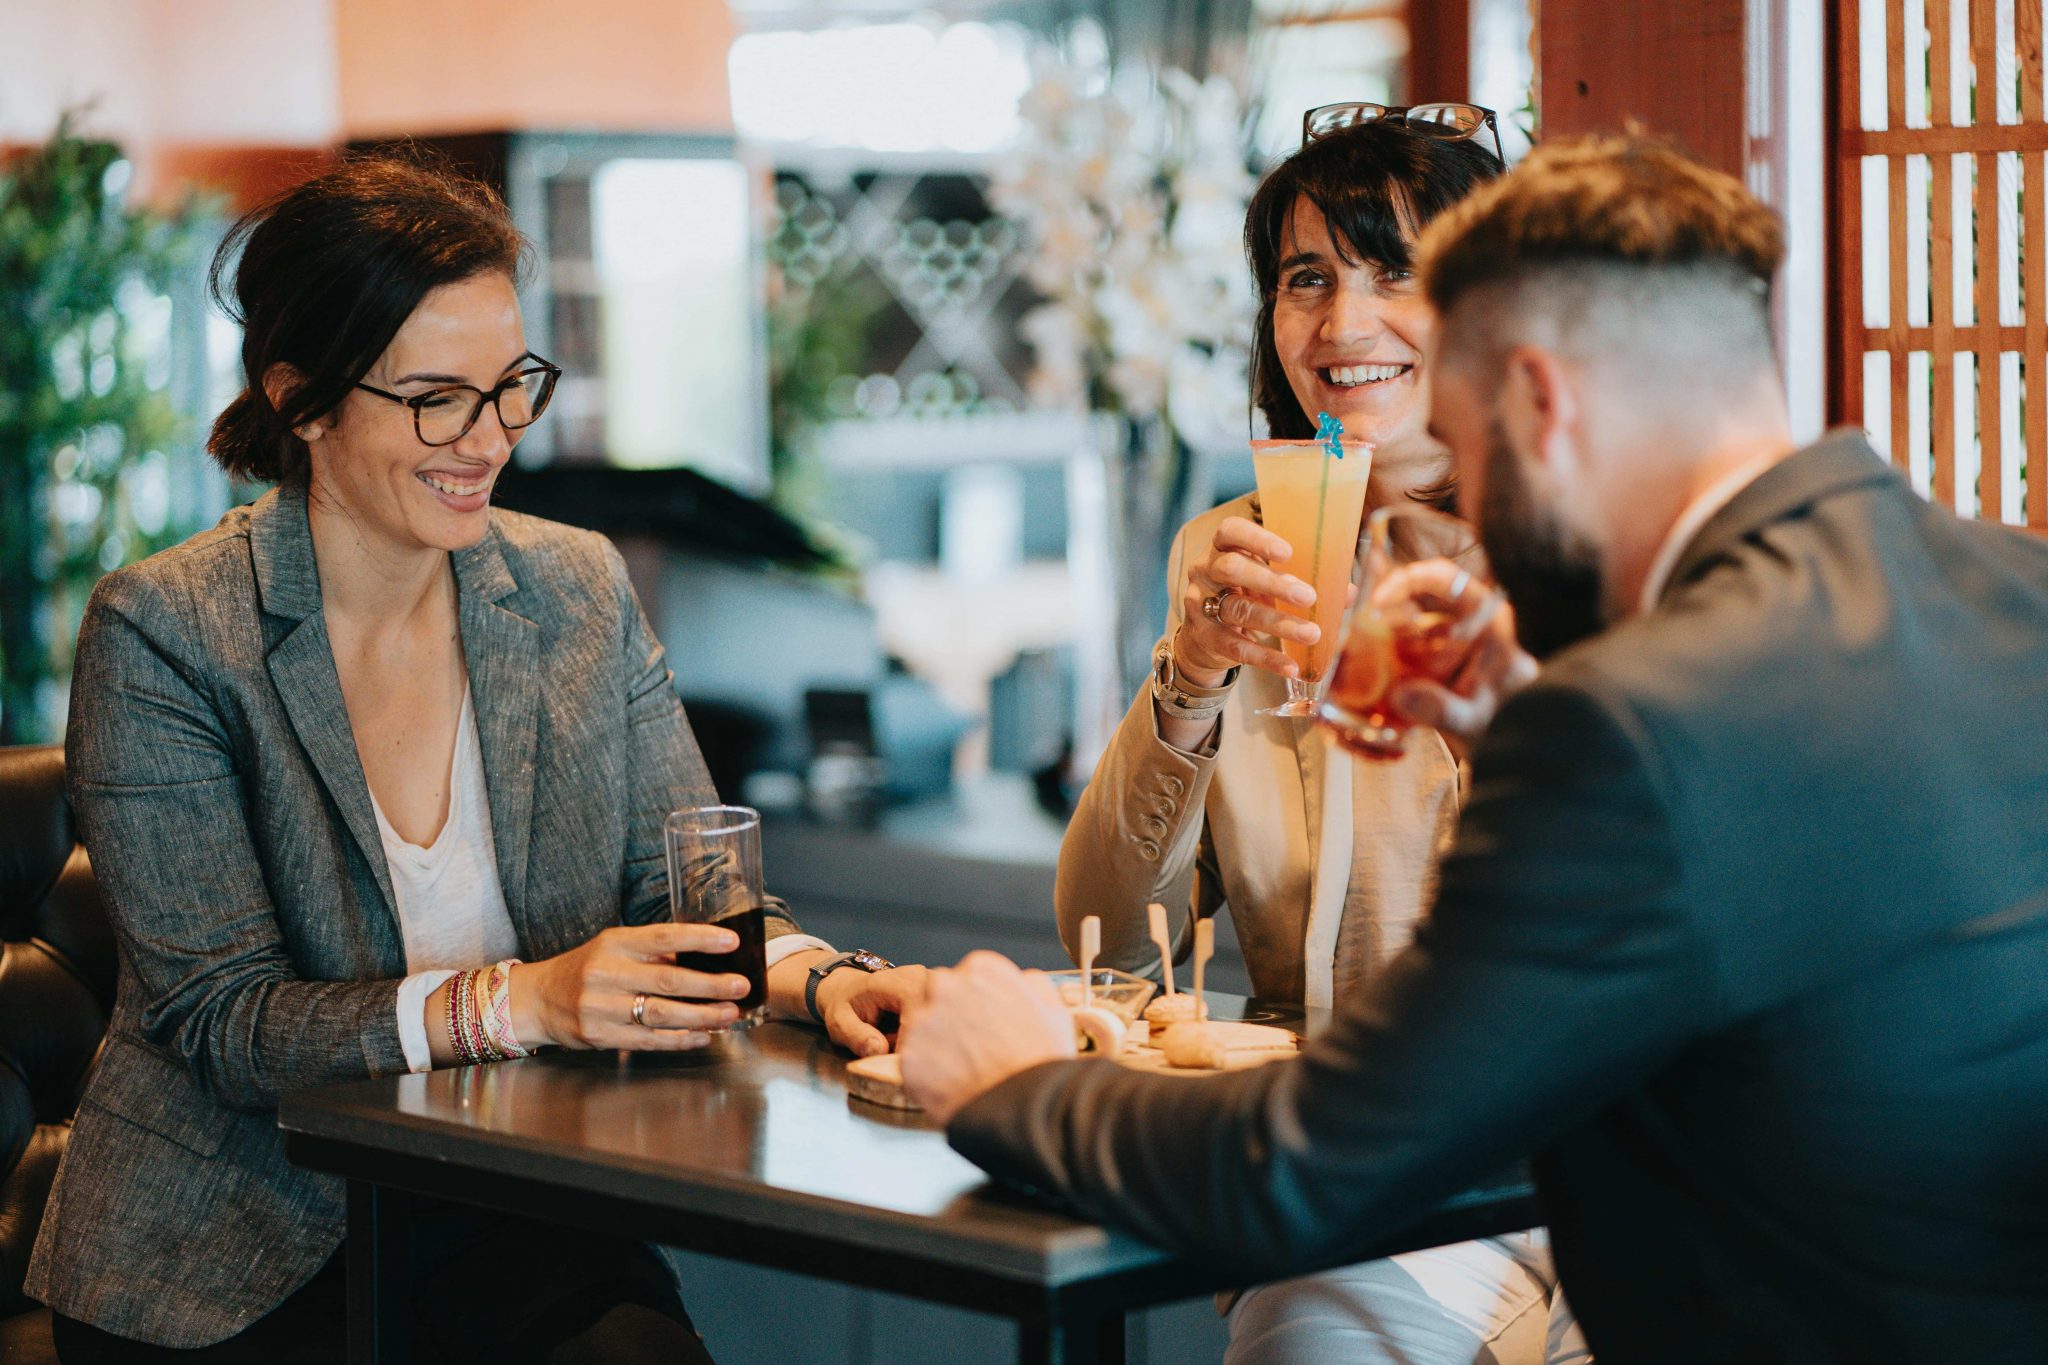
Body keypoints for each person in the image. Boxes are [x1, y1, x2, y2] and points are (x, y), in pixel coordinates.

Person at [902, 134, 2048, 1362]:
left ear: (1540, 407)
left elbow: (1301, 1174)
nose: (1470, 508)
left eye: (1467, 438)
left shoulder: (1633, 711)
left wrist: (1011, 1088)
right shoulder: (2012, 587)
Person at [26, 155, 925, 1362]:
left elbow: (691, 896)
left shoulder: (573, 588)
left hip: (515, 1203)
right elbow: (226, 1024)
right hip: (234, 1249)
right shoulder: (167, 631)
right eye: (435, 398)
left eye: (511, 387)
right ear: (301, 398)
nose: (489, 438)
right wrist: (527, 999)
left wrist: (822, 983)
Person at [1057, 106, 1583, 1363]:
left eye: (1395, 271)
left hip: (1584, 1154)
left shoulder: (1584, 548)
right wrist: (1189, 676)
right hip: (1351, 1178)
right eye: (1306, 280)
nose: (1344, 326)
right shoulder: (1234, 555)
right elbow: (1106, 935)